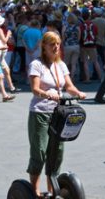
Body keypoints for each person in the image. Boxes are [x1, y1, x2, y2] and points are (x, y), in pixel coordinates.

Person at [27, 31, 86, 198]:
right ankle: (34, 192)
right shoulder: (36, 64)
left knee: (57, 152)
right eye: (52, 44)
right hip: (40, 112)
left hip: (58, 114)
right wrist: (47, 94)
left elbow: (69, 86)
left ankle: (52, 191)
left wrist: (78, 93)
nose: (56, 47)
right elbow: (35, 89)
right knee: (39, 152)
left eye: (58, 44)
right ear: (44, 46)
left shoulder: (61, 65)